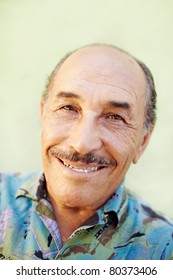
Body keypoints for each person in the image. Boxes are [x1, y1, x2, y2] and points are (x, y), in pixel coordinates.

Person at [0, 44, 173, 260]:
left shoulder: (164, 250)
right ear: (43, 115)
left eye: (115, 117)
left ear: (142, 142)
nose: (82, 143)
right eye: (68, 108)